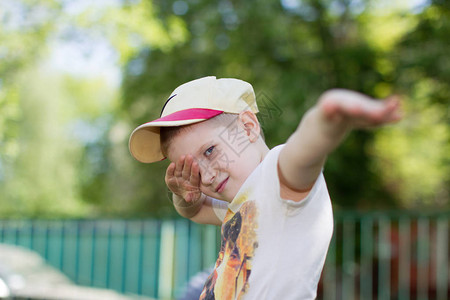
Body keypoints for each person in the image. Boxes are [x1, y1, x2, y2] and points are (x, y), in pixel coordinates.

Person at [129, 76, 401, 299]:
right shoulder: (239, 202)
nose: (207, 176)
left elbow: (303, 152)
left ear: (248, 127)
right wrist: (184, 194)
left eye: (210, 151)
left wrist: (327, 119)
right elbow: (194, 210)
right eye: (194, 170)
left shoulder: (276, 180)